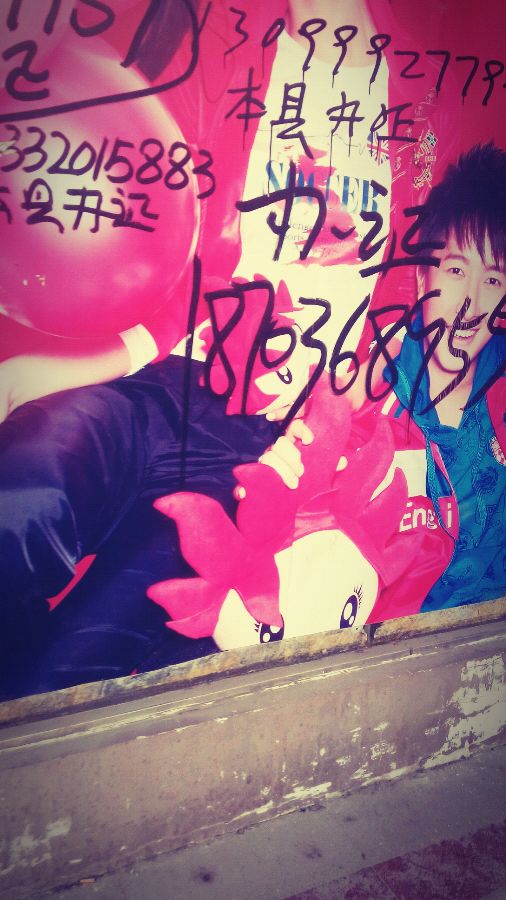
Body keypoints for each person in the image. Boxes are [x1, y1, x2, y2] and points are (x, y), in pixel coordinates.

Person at [0, 0, 459, 697]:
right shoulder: (227, 43)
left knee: (64, 681)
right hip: (163, 386)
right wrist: (71, 367)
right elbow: (177, 258)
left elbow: (400, 311)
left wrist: (329, 427)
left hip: (258, 455)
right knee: (25, 490)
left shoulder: (421, 94)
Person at [260, 142, 506, 621]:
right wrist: (288, 485)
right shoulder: (372, 394)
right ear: (423, 280)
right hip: (402, 643)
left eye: (494, 280)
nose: (471, 302)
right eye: (456, 270)